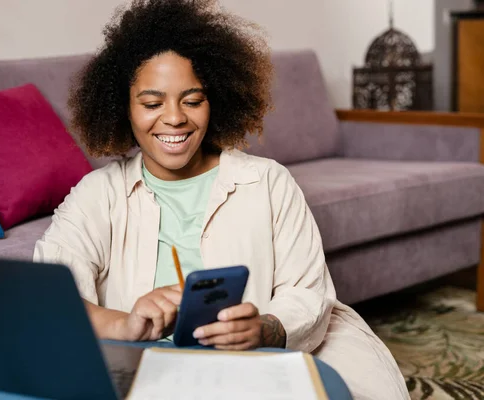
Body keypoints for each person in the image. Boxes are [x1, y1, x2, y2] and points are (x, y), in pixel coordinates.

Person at [34, 0, 409, 398]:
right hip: (151, 372)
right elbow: (51, 299)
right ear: (123, 108)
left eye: (192, 100)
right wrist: (123, 326)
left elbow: (308, 293)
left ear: (216, 102)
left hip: (254, 363)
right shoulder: (97, 195)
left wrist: (265, 327)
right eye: (151, 103)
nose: (175, 118)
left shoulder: (268, 183)